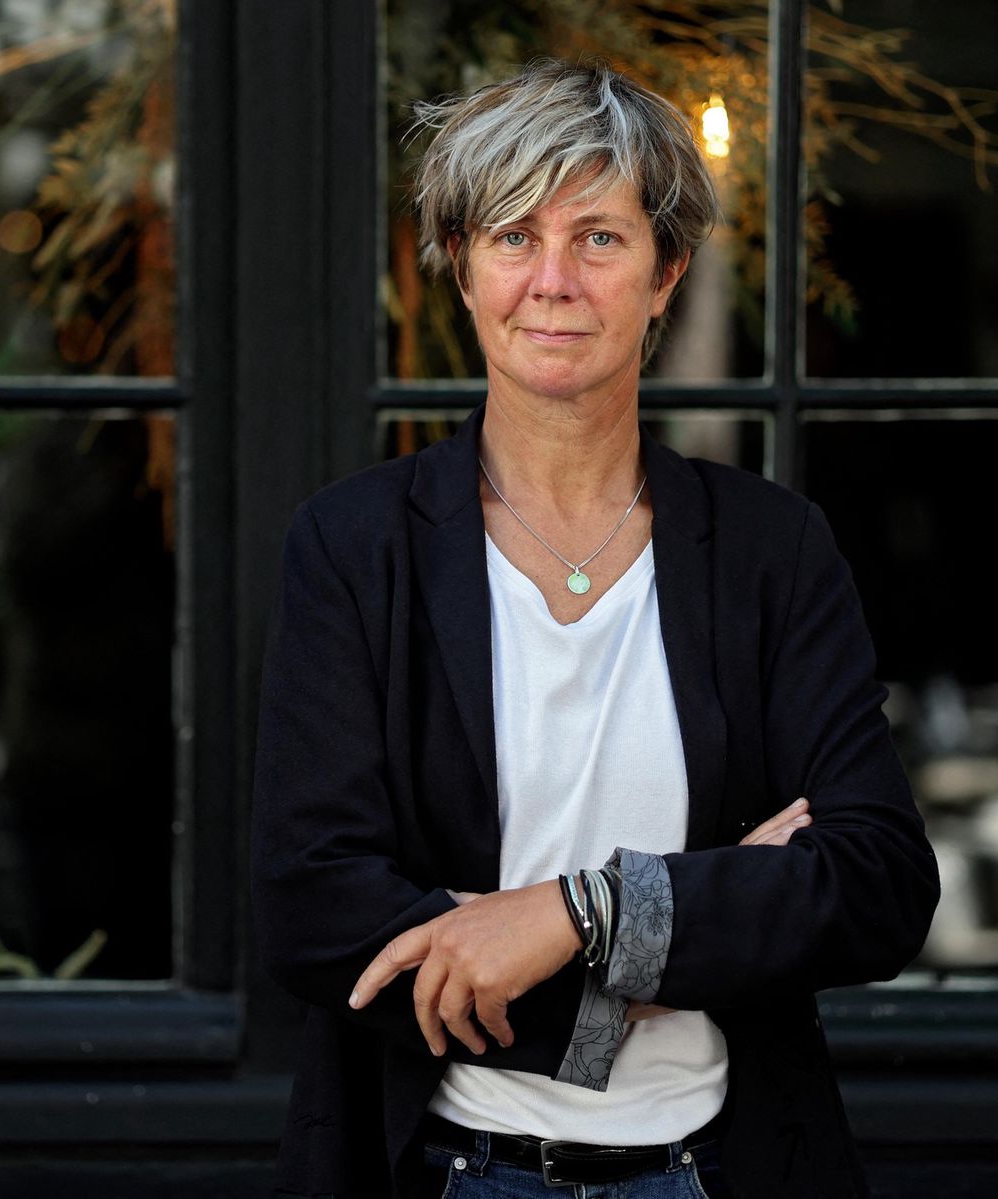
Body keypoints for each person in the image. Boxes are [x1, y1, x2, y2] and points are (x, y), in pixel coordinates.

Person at [252, 58, 939, 1199]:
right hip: (448, 1170)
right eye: (513, 237)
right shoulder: (354, 549)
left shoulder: (771, 550)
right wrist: (699, 923)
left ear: (665, 271)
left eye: (600, 239)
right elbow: (315, 909)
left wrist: (574, 913)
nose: (553, 279)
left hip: (719, 1170)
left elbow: (871, 881)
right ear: (462, 270)